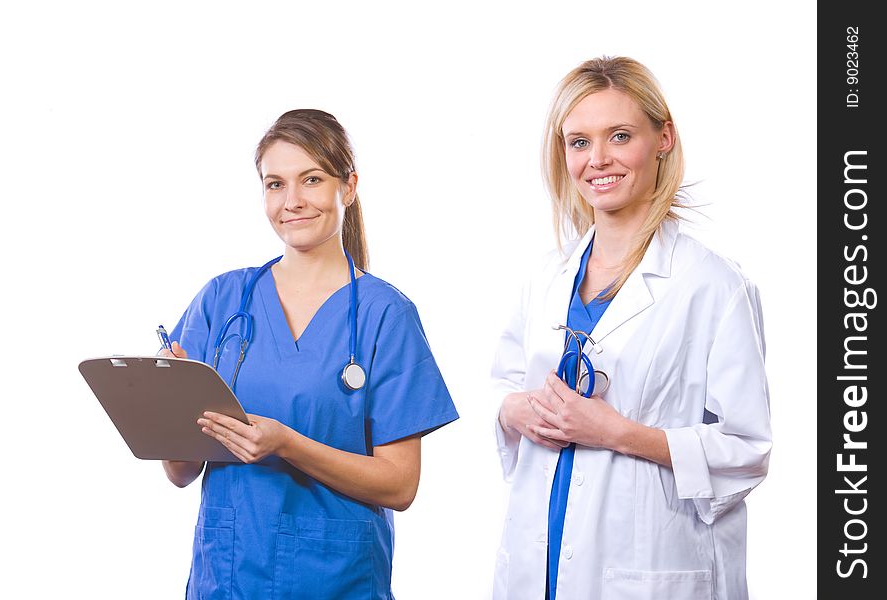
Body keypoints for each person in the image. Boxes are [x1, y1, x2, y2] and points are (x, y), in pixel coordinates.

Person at [491, 57, 772, 599]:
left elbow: (747, 448)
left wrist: (617, 433)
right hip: (539, 560)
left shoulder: (712, 285)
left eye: (619, 136)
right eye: (579, 142)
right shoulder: (546, 277)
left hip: (651, 567)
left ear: (663, 137)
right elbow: (504, 387)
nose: (598, 160)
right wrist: (512, 410)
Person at [160, 109, 459, 599]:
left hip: (337, 580)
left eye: (311, 180)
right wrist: (167, 403)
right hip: (227, 577)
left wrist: (286, 444)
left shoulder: (386, 314)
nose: (292, 201)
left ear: (348, 187)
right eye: (275, 184)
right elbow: (180, 472)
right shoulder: (223, 300)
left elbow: (401, 485)